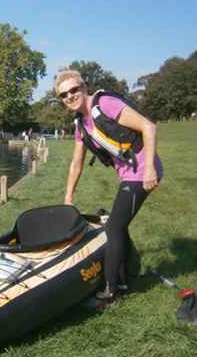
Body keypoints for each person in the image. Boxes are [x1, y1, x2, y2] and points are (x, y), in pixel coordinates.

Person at [56, 71, 163, 301]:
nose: (70, 96)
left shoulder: (105, 104)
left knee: (113, 227)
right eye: (64, 94)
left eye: (74, 90)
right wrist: (68, 197)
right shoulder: (81, 124)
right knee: (119, 225)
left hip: (142, 171)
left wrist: (150, 169)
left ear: (84, 88)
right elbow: (76, 164)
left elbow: (149, 127)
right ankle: (127, 276)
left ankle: (110, 289)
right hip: (128, 175)